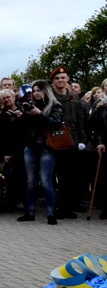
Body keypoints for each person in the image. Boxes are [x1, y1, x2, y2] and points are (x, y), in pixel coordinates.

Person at [16, 81, 64, 225]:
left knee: (46, 181)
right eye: (34, 90)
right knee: (30, 181)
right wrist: (23, 115)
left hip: (47, 147)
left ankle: (51, 213)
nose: (36, 93)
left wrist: (39, 114)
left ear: (46, 91)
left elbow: (55, 123)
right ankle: (29, 212)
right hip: (30, 146)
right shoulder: (30, 105)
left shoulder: (55, 105)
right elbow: (25, 128)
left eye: (39, 90)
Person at [49, 67, 87, 219]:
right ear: (53, 81)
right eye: (57, 78)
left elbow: (80, 120)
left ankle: (67, 208)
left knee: (69, 176)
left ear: (67, 79)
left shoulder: (73, 97)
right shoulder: (49, 96)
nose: (60, 80)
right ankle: (56, 207)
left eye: (63, 78)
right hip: (54, 141)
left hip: (71, 140)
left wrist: (82, 140)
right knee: (56, 176)